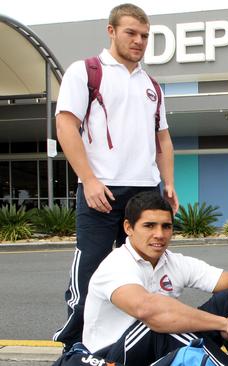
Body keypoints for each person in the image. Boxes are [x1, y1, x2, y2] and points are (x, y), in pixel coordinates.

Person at [53, 3, 178, 350]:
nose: (139, 41)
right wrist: (89, 180)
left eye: (144, 36)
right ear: (111, 31)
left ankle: (137, 343)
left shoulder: (152, 84)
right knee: (90, 270)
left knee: (144, 272)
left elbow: (162, 138)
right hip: (100, 190)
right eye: (131, 33)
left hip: (144, 192)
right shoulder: (86, 72)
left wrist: (167, 183)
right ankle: (75, 345)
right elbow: (66, 125)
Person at [80, 191, 228, 365]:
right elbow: (148, 310)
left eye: (166, 226)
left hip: (158, 344)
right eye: (149, 226)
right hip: (110, 358)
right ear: (128, 228)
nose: (159, 234)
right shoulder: (116, 264)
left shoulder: (174, 262)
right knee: (158, 324)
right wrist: (225, 324)